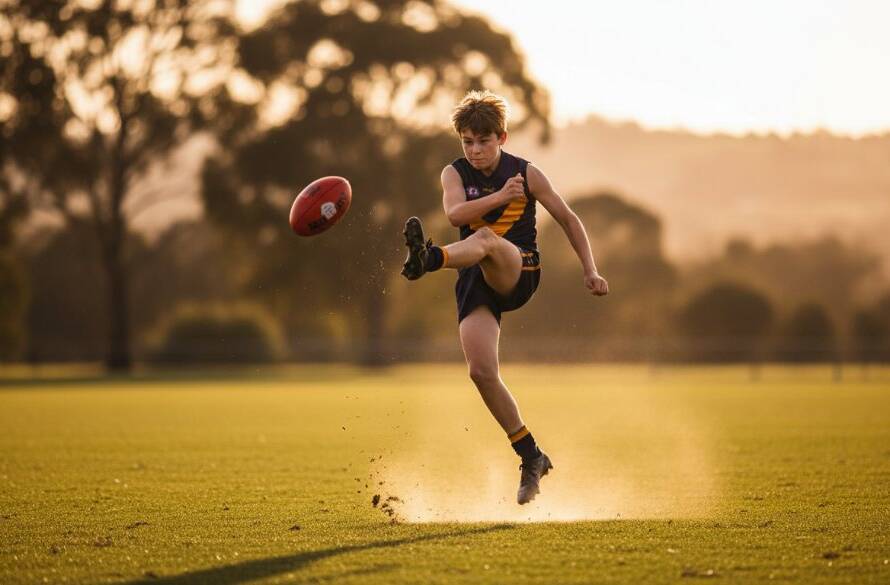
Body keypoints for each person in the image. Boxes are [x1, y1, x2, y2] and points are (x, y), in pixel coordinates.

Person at [400, 90, 609, 505]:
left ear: (502, 138)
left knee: (486, 239)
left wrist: (591, 269)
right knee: (481, 372)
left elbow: (568, 219)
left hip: (520, 267)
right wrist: (500, 196)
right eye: (467, 142)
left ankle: (430, 259)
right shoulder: (454, 173)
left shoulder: (526, 173)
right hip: (475, 275)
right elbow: (455, 214)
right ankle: (531, 455)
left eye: (483, 141)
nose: (475, 150)